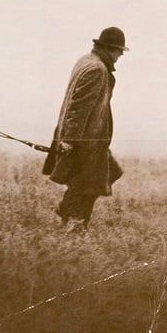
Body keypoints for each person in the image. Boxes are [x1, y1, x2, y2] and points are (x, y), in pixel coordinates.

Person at [42, 26, 128, 230]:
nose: (120, 57)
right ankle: (74, 225)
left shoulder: (86, 61)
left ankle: (68, 213)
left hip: (87, 139)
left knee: (108, 173)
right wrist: (70, 140)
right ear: (109, 49)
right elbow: (78, 107)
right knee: (88, 184)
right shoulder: (97, 70)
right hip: (85, 142)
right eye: (119, 52)